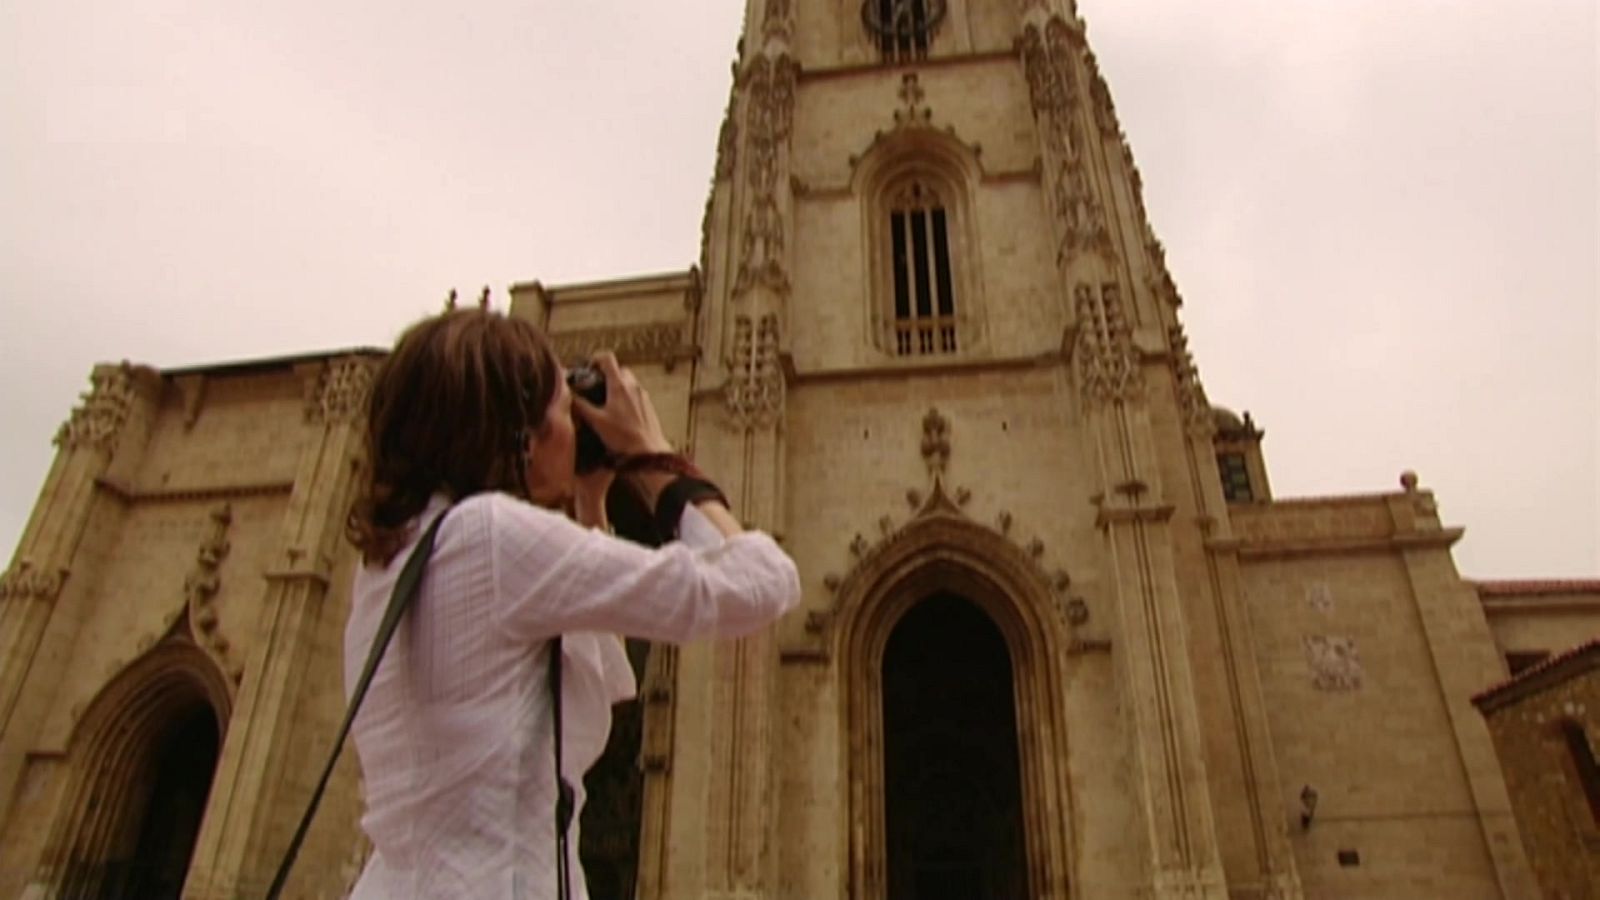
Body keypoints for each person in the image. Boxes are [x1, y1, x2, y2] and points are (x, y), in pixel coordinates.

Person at [341, 308, 800, 898]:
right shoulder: (489, 537)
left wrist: (590, 504)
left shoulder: (393, 562)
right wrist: (651, 455)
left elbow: (599, 683)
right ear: (521, 438)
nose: (577, 426)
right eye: (563, 407)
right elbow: (761, 582)